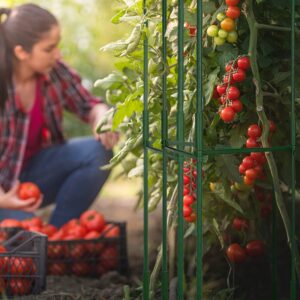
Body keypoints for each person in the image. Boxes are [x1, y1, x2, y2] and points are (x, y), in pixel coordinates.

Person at [0, 3, 118, 228]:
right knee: (25, 240)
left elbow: (88, 104)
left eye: (58, 45)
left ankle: (58, 237)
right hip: (2, 190)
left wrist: (102, 115)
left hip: (35, 173)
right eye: (49, 48)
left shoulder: (54, 72)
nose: (58, 54)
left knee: (97, 152)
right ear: (21, 52)